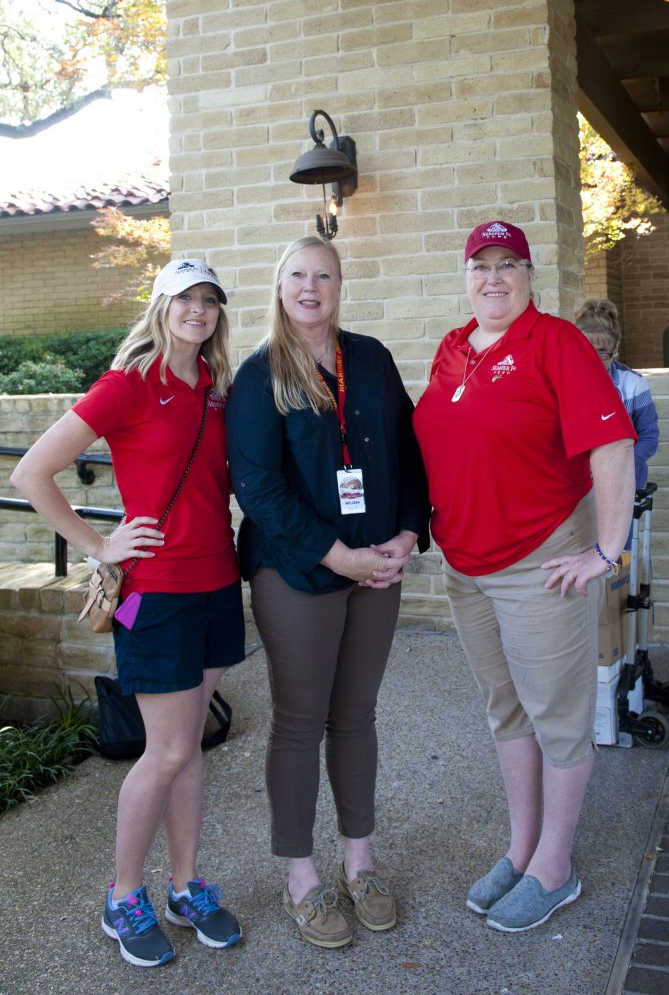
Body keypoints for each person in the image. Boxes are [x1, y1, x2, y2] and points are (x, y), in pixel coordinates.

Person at [11, 259, 245, 967]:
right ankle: (122, 896)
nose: (198, 311)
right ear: (162, 306)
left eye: (209, 301)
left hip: (215, 585)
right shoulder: (129, 385)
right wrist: (97, 544)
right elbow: (30, 474)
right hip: (156, 594)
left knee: (192, 745)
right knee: (166, 749)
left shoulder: (216, 389)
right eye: (186, 299)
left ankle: (185, 885)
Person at [412, 221, 637, 933]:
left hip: (539, 561)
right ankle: (521, 850)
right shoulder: (453, 348)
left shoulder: (558, 344)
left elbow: (612, 445)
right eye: (481, 265)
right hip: (466, 565)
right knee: (505, 709)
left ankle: (555, 867)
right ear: (466, 276)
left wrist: (605, 551)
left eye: (509, 265)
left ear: (531, 276)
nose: (494, 278)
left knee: (557, 716)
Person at [226, 235, 429, 949]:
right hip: (298, 572)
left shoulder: (369, 359)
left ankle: (360, 864)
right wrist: (335, 555)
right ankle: (302, 877)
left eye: (323, 276)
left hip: (377, 567)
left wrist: (408, 532)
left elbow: (410, 448)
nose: (310, 288)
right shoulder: (258, 375)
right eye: (297, 276)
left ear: (340, 285)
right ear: (279, 286)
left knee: (358, 716)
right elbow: (258, 488)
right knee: (300, 721)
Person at [575, 299, 660, 493]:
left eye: (603, 351)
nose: (593, 359)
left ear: (616, 348)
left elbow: (649, 437)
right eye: (585, 350)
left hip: (624, 482)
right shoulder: (561, 382)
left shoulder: (633, 384)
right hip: (577, 486)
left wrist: (617, 465)